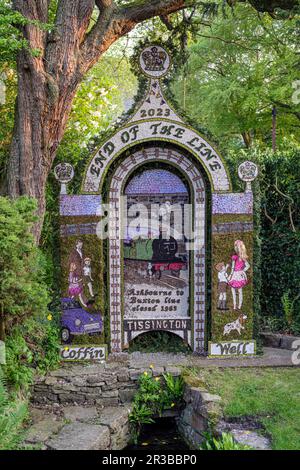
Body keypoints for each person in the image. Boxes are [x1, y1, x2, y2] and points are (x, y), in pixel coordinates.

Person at [228, 240, 250, 310]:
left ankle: (236, 306)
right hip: (239, 274)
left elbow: (233, 267)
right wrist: (242, 271)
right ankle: (238, 306)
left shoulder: (235, 257)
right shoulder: (242, 257)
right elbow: (248, 266)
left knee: (234, 290)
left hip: (235, 274)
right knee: (239, 291)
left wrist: (230, 276)